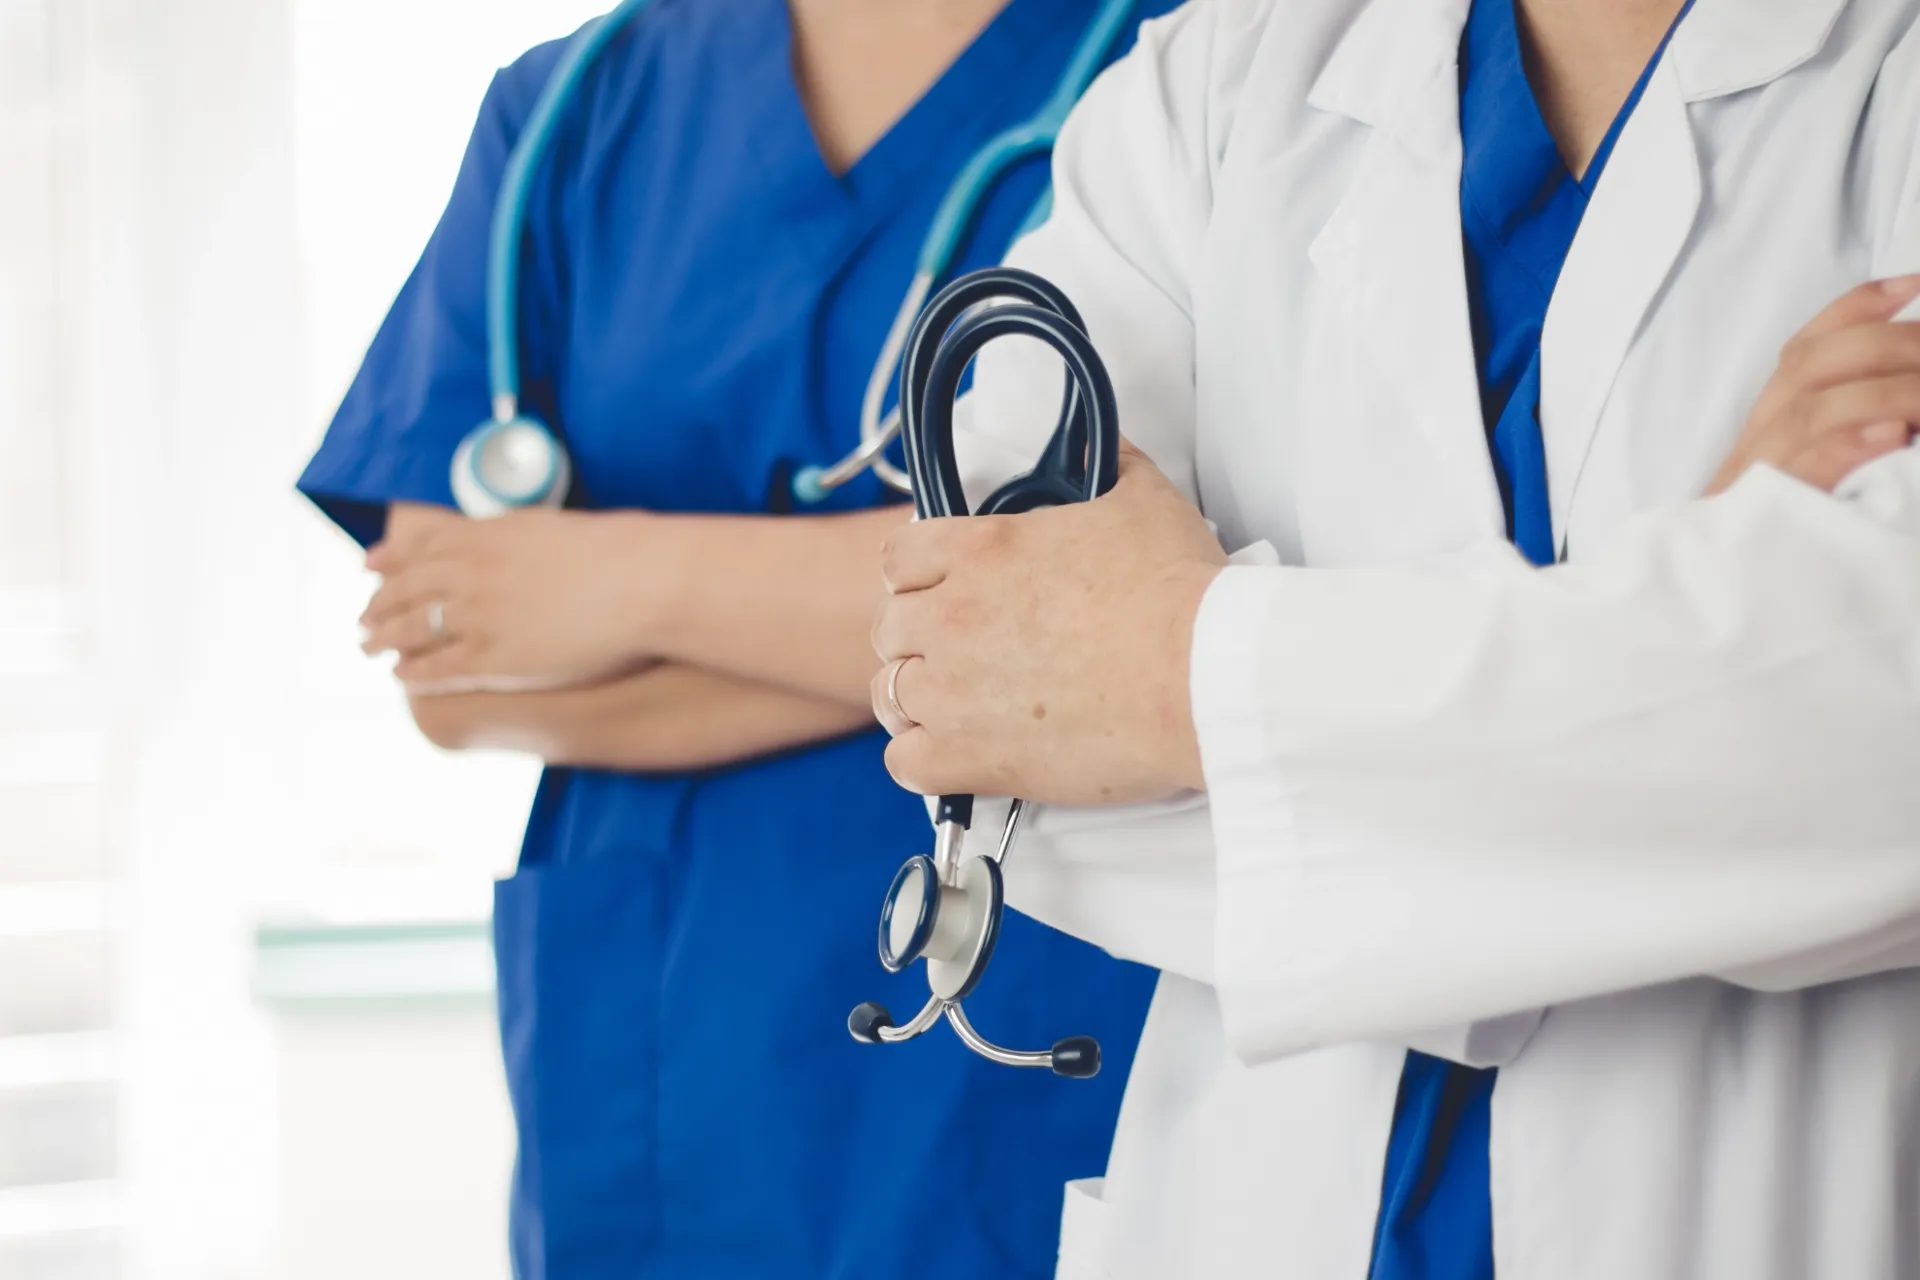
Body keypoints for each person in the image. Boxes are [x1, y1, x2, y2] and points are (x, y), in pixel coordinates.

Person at [868, 0, 1920, 1275]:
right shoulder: (1211, 83)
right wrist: (1700, 630)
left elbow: (1880, 738)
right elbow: (999, 720)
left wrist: (1168, 673)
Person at [295, 1, 1175, 1275]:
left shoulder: (1191, 71)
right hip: (671, 1065)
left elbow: (1142, 618)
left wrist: (603, 577)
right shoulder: (568, 110)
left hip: (1041, 1032)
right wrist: (960, 624)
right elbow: (448, 663)